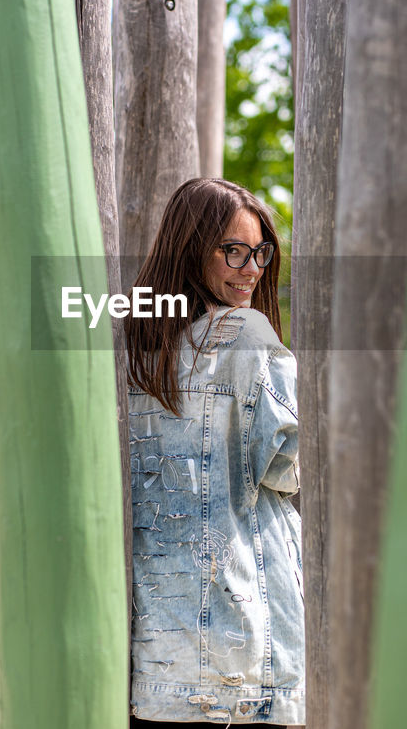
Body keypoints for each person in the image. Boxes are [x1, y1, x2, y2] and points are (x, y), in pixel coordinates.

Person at [125, 178, 304, 727]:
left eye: (260, 253)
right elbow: (293, 466)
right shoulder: (247, 336)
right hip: (241, 652)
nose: (251, 268)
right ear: (191, 250)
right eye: (233, 251)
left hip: (154, 651)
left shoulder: (135, 346)